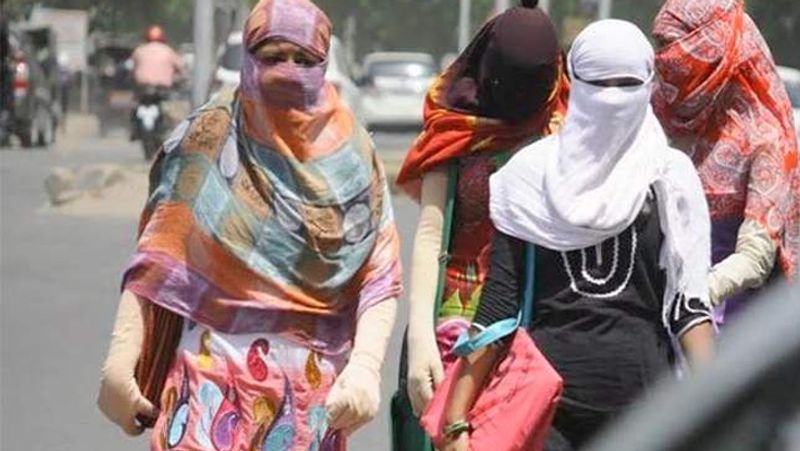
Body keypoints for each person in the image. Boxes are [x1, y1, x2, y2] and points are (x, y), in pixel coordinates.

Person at [96, 1, 402, 449]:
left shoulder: (352, 157)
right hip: (206, 381)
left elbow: (379, 275)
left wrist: (366, 368)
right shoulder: (208, 137)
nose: (289, 71)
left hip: (308, 400)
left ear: (324, 65)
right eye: (273, 56)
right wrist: (121, 356)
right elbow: (159, 259)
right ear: (249, 59)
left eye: (304, 59)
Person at [440, 20, 716, 451]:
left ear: (649, 85)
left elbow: (689, 308)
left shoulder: (670, 178)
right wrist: (456, 417)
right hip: (544, 414)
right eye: (599, 84)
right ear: (574, 82)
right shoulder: (529, 176)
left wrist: (719, 409)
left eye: (626, 84)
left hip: (649, 412)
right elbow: (499, 306)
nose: (612, 98)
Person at [396, 0, 570, 417]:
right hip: (453, 333)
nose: (519, 93)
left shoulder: (566, 132)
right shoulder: (455, 124)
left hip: (538, 334)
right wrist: (420, 338)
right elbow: (430, 234)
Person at [652, 0, 799, 323]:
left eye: (671, 45)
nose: (662, 58)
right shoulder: (659, 113)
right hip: (649, 310)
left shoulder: (764, 138)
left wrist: (693, 296)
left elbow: (755, 257)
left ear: (708, 49)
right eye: (658, 44)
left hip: (722, 323)